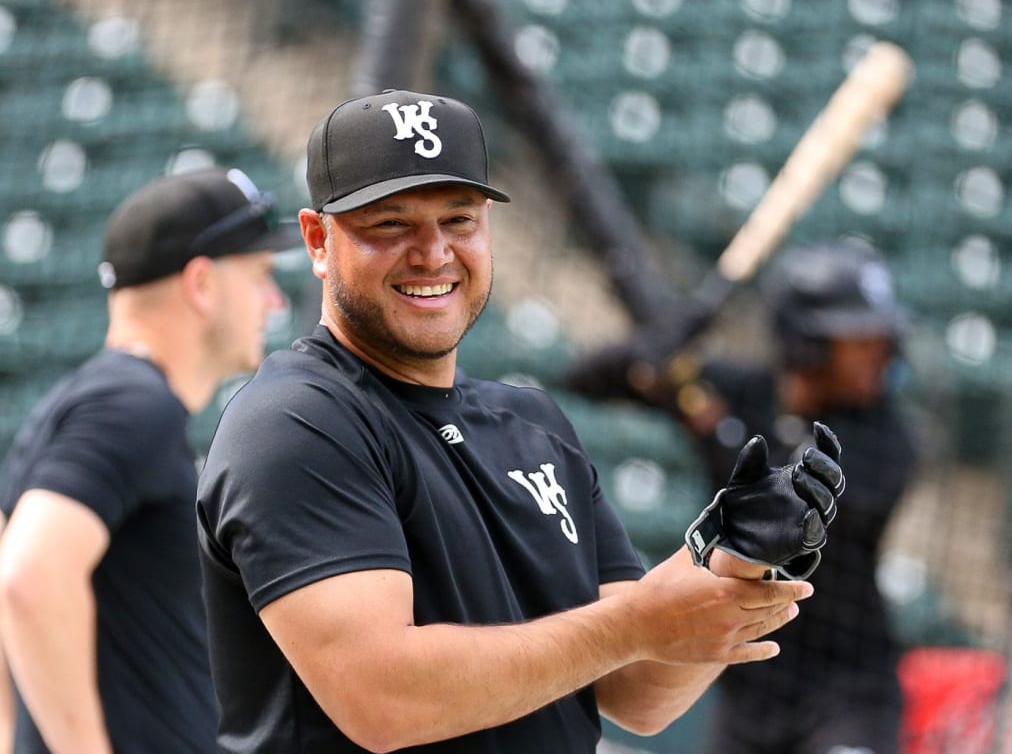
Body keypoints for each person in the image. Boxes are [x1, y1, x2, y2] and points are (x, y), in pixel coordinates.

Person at [195, 88, 846, 753]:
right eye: (390, 223)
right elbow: (384, 698)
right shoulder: (295, 422)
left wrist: (734, 559)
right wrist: (633, 624)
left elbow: (638, 691)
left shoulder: (532, 423)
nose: (433, 252)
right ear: (317, 240)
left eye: (459, 218)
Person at [0, 167, 298, 754]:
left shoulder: (93, 396)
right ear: (202, 284)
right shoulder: (133, 407)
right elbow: (26, 578)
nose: (273, 300)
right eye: (260, 275)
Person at [568, 242, 916, 754]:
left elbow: (790, 511)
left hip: (847, 690)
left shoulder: (886, 438)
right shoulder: (746, 393)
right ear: (807, 345)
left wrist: (716, 432)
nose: (880, 353)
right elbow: (585, 378)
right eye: (860, 339)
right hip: (750, 680)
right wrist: (664, 344)